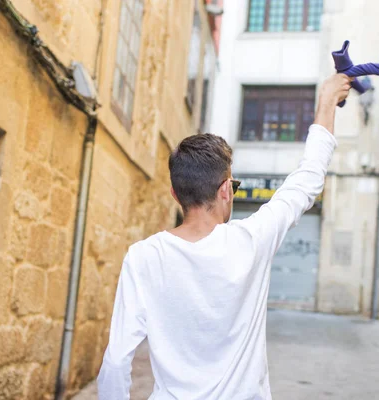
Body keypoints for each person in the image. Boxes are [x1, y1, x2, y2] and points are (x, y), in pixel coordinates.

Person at [97, 74, 352, 399]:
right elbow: (309, 178)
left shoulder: (143, 256)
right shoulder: (251, 240)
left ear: (176, 194)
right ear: (224, 190)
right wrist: (327, 101)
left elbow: (117, 360)